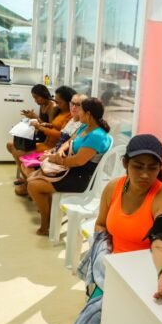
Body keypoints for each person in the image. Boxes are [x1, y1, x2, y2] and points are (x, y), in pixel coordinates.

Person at [68, 134, 162, 324]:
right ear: (125, 163)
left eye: (152, 168)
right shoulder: (113, 188)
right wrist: (101, 254)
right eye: (138, 166)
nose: (145, 175)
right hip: (111, 268)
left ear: (160, 167)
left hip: (145, 272)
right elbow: (101, 224)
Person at [27, 97, 112, 235]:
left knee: (33, 186)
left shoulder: (97, 136)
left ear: (88, 114)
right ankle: (50, 216)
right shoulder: (85, 126)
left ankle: (46, 223)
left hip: (81, 178)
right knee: (31, 177)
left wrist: (56, 160)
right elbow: (69, 141)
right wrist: (59, 151)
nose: (77, 112)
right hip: (71, 170)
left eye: (80, 110)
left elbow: (78, 161)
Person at [17, 93, 85, 180]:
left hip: (58, 155)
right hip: (53, 148)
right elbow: (60, 133)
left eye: (78, 105)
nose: (73, 107)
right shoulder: (71, 118)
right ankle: (30, 181)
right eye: (72, 103)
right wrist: (52, 150)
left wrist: (41, 127)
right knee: (24, 162)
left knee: (22, 157)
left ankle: (32, 182)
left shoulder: (80, 123)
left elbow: (66, 143)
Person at [6, 84, 56, 167]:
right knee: (9, 145)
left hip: (46, 139)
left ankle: (25, 172)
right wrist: (32, 117)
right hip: (39, 135)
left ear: (43, 95)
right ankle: (24, 170)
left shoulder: (52, 107)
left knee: (16, 151)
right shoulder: (43, 105)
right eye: (34, 98)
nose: (35, 101)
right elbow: (41, 122)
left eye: (36, 98)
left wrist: (36, 117)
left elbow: (51, 127)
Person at [32, 85, 75, 152]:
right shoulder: (61, 112)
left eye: (59, 102)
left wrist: (41, 128)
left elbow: (62, 135)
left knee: (20, 151)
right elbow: (55, 126)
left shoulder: (70, 116)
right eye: (56, 101)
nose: (57, 105)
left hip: (53, 148)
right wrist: (46, 124)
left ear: (68, 102)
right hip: (47, 144)